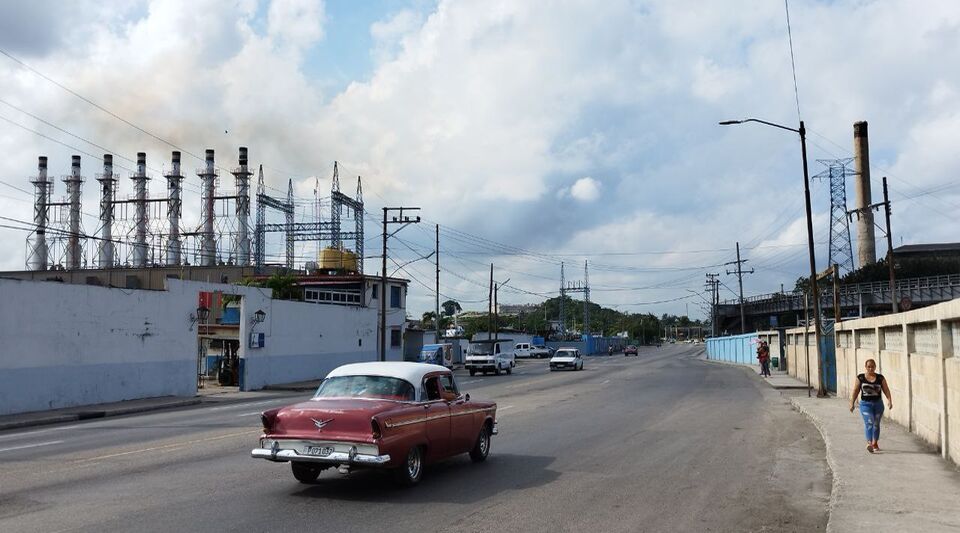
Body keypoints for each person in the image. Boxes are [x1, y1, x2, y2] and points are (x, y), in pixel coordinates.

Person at [849, 359, 893, 453]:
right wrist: (852, 403)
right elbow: (855, 391)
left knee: (876, 424)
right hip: (865, 404)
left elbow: (886, 390)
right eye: (868, 366)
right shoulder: (860, 378)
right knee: (869, 422)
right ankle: (869, 443)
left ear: (875, 367)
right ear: (865, 367)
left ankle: (875, 442)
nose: (870, 368)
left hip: (878, 405)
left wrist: (889, 400)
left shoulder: (880, 378)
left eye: (872, 366)